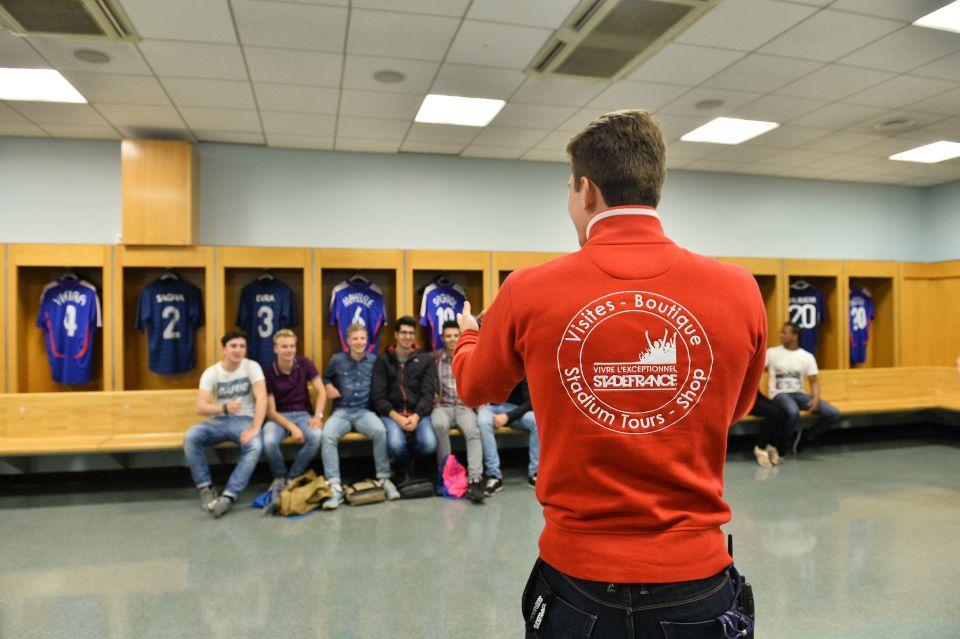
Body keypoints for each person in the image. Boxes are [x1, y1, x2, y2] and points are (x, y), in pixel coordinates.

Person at [453, 110, 765, 637]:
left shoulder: (527, 289)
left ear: (586, 190)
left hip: (577, 582)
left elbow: (474, 386)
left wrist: (468, 334)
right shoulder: (739, 289)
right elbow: (734, 407)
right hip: (697, 581)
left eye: (568, 191)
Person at [183, 331, 267, 519]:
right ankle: (205, 488)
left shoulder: (252, 367)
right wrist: (224, 408)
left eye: (242, 346)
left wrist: (255, 428)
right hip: (220, 419)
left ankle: (229, 495)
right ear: (223, 350)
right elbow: (200, 407)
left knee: (255, 446)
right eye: (233, 346)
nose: (238, 350)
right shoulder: (212, 372)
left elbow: (262, 397)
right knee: (191, 437)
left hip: (245, 420)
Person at [320, 323, 399, 509]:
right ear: (348, 341)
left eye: (362, 338)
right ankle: (334, 484)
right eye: (355, 338)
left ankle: (384, 479)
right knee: (327, 435)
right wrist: (328, 386)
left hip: (364, 411)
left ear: (367, 341)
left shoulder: (375, 361)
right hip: (342, 411)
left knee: (380, 431)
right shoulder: (336, 360)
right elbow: (325, 378)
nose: (359, 342)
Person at [261, 329, 325, 510]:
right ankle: (279, 477)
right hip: (279, 417)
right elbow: (271, 412)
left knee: (316, 436)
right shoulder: (269, 373)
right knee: (269, 440)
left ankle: (292, 477)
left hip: (303, 414)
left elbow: (321, 391)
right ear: (275, 349)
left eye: (292, 346)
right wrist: (292, 427)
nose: (289, 350)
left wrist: (318, 416)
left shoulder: (304, 363)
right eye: (284, 347)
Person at [371, 316, 437, 482]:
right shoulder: (383, 359)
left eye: (411, 333)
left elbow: (429, 393)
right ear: (396, 334)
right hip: (392, 414)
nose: (407, 337)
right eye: (403, 333)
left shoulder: (425, 360)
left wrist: (416, 416)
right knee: (395, 444)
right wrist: (396, 417)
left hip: (418, 413)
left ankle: (405, 462)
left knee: (429, 444)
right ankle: (406, 464)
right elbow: (378, 396)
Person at [767, 322, 842, 455]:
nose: (781, 335)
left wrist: (815, 398)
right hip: (779, 394)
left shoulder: (807, 356)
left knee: (833, 413)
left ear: (795, 336)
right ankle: (782, 448)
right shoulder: (772, 353)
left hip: (798, 394)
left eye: (785, 333)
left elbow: (813, 381)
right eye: (781, 332)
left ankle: (805, 437)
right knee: (792, 411)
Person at [431, 320, 485, 503]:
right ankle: (446, 475)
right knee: (438, 425)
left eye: (456, 335)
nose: (452, 339)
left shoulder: (470, 354)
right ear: (442, 338)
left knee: (473, 432)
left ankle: (475, 479)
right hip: (443, 406)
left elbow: (479, 379)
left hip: (464, 406)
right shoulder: (434, 358)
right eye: (448, 336)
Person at [477, 377, 539, 495]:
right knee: (483, 422)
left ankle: (535, 473)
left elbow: (530, 402)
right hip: (492, 408)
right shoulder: (491, 366)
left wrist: (508, 416)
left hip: (515, 409)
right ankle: (494, 475)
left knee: (536, 421)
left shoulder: (522, 369)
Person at [749, 391, 786, 468]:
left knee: (783, 411)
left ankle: (771, 445)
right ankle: (760, 447)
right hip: (741, 400)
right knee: (773, 413)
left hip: (754, 395)